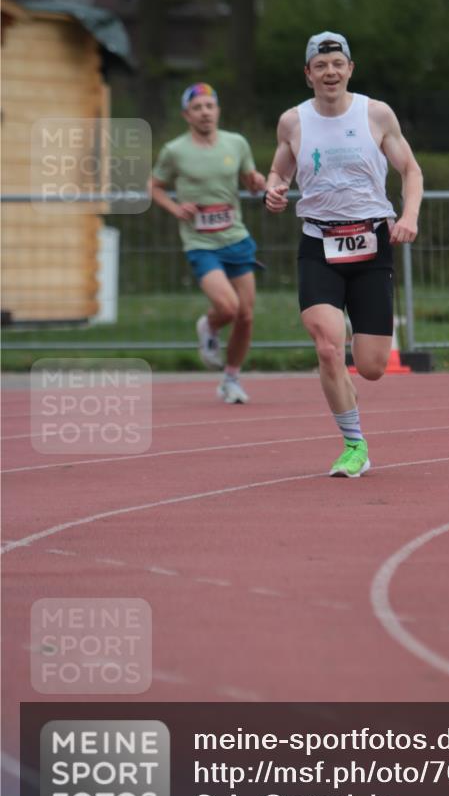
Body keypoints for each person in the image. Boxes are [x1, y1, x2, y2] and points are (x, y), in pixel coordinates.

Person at [264, 32, 423, 477]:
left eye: (338, 64)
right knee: (328, 347)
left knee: (370, 367)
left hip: (372, 242)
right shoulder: (293, 122)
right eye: (321, 65)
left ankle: (357, 371)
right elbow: (279, 169)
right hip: (319, 242)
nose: (330, 72)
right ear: (308, 74)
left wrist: (408, 216)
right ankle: (354, 443)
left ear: (350, 68)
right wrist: (273, 190)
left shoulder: (375, 113)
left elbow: (410, 169)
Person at [149, 83, 266, 403]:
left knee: (246, 314)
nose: (205, 112)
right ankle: (209, 325)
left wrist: (257, 181)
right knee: (228, 307)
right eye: (198, 107)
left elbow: (251, 180)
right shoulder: (175, 151)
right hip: (200, 242)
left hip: (236, 237)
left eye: (209, 106)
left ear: (217, 110)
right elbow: (154, 186)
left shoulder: (236, 143)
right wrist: (176, 208)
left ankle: (231, 378)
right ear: (187, 115)